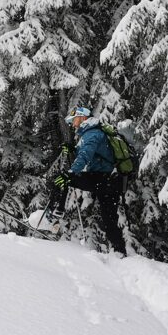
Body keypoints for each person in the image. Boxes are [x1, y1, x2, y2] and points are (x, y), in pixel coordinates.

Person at [48, 107, 128, 255]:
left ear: (82, 118)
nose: (73, 124)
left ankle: (53, 215)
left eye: (74, 120)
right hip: (105, 179)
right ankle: (119, 252)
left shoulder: (93, 134)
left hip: (106, 179)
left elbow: (85, 156)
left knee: (62, 179)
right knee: (109, 218)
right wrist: (72, 149)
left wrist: (71, 174)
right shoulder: (90, 133)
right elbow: (88, 153)